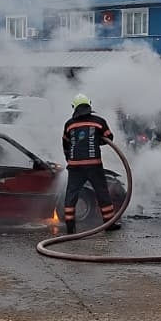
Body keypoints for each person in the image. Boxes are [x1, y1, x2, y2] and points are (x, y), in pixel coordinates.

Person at [61, 93, 121, 234]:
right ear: (89, 105)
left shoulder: (69, 124)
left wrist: (70, 160)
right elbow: (109, 137)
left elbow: (66, 145)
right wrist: (95, 140)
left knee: (71, 195)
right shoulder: (99, 121)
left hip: (75, 166)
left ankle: (70, 227)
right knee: (102, 193)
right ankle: (109, 224)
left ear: (74, 107)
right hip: (93, 165)